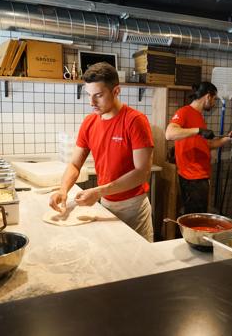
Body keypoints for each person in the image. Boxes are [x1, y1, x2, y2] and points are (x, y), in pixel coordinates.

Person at [49, 62, 155, 242]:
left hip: (133, 207)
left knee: (138, 262)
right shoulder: (89, 122)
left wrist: (98, 192)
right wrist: (63, 189)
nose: (92, 102)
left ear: (116, 91)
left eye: (98, 95)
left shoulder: (135, 121)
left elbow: (141, 173)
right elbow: (75, 164)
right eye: (89, 95)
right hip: (106, 204)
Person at [165, 81, 232, 214]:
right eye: (214, 99)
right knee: (196, 219)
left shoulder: (199, 117)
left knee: (198, 215)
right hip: (191, 177)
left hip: (201, 176)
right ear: (207, 96)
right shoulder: (184, 112)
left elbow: (208, 145)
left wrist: (228, 138)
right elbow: (169, 134)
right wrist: (198, 131)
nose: (214, 103)